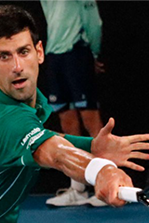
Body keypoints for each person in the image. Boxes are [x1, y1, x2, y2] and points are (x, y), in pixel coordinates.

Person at [0, 5, 149, 223]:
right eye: (4, 56)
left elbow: (45, 139)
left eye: (23, 52)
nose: (17, 66)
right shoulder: (5, 120)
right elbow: (55, 154)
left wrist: (91, 146)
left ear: (40, 52)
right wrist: (102, 170)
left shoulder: (1, 98)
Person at [40, 0, 106, 206]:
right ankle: (78, 188)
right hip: (54, 55)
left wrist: (93, 53)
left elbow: (95, 23)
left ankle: (107, 186)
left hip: (77, 52)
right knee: (67, 122)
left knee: (91, 120)